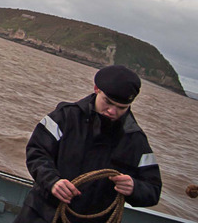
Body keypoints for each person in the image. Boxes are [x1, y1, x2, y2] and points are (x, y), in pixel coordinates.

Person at [14, 65, 161, 223]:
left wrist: (134, 188)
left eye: (121, 108)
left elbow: (153, 189)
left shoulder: (135, 141)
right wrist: (52, 181)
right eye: (108, 102)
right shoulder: (65, 117)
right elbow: (37, 152)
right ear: (97, 89)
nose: (112, 111)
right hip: (41, 215)